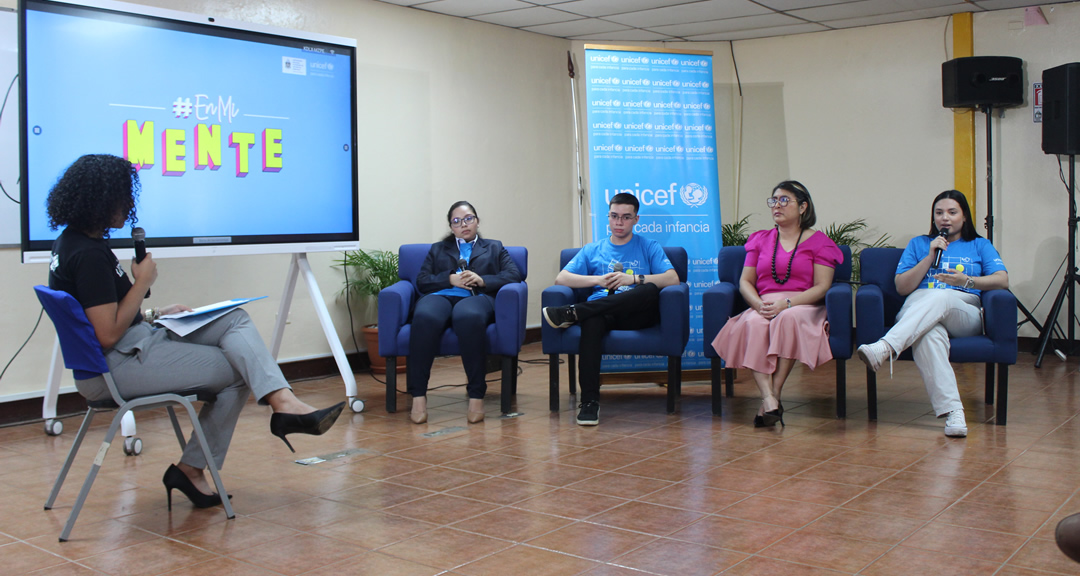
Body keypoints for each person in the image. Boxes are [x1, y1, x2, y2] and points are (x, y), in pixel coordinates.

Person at [45, 154, 345, 510]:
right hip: (116, 365)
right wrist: (142, 282)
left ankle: (282, 403)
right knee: (240, 371)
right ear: (100, 199)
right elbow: (107, 333)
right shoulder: (89, 255)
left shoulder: (72, 244)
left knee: (234, 319)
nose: (129, 205)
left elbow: (101, 315)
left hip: (128, 348)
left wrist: (156, 313)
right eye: (122, 197)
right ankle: (193, 468)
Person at [857, 190, 1008, 438]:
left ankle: (885, 347)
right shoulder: (919, 244)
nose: (944, 218)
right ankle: (953, 412)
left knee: (941, 296)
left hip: (963, 309)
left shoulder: (980, 245)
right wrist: (929, 256)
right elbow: (902, 287)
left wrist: (966, 281)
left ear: (964, 216)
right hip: (919, 308)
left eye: (952, 212)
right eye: (939, 213)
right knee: (929, 335)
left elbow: (1002, 280)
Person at [711, 181, 843, 428]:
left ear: (803, 207)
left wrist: (787, 303)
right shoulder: (760, 239)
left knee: (788, 319)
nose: (777, 206)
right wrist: (757, 304)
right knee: (753, 322)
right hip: (765, 303)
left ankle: (774, 394)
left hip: (802, 305)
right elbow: (745, 281)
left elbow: (822, 286)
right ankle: (769, 398)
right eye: (773, 201)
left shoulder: (820, 243)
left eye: (784, 200)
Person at [541, 193, 679, 426]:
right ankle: (589, 402)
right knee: (592, 320)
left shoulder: (649, 246)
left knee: (648, 290)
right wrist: (597, 280)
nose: (619, 222)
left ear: (636, 219)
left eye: (626, 217)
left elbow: (673, 279)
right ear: (608, 217)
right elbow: (561, 278)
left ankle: (576, 311)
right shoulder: (593, 249)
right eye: (614, 216)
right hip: (603, 312)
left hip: (636, 314)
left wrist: (633, 279)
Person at [407, 201, 521, 425]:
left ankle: (476, 395)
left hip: (476, 297)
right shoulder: (438, 249)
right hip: (441, 295)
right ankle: (418, 396)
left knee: (467, 316)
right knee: (425, 316)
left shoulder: (494, 247)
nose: (463, 225)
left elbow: (513, 274)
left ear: (477, 221)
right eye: (457, 221)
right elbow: (422, 281)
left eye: (468, 219)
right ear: (451, 227)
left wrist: (482, 280)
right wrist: (449, 279)